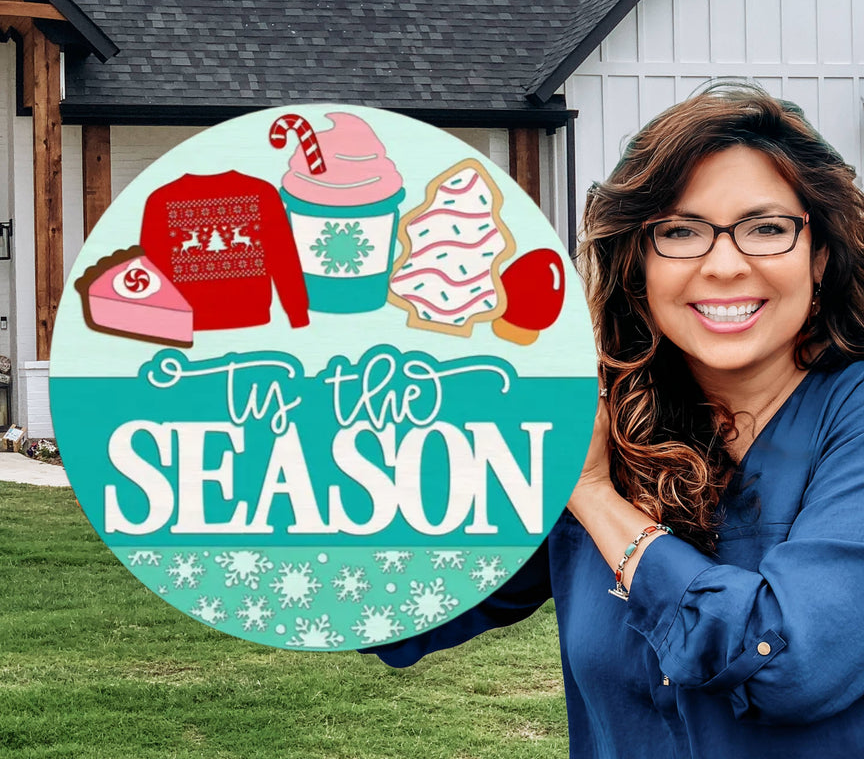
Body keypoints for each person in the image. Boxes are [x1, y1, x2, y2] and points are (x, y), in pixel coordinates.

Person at [369, 83, 864, 756]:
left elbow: (788, 664)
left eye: (766, 228)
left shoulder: (849, 419)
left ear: (821, 254)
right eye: (680, 231)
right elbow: (405, 607)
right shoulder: (605, 419)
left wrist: (597, 498)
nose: (724, 265)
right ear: (638, 265)